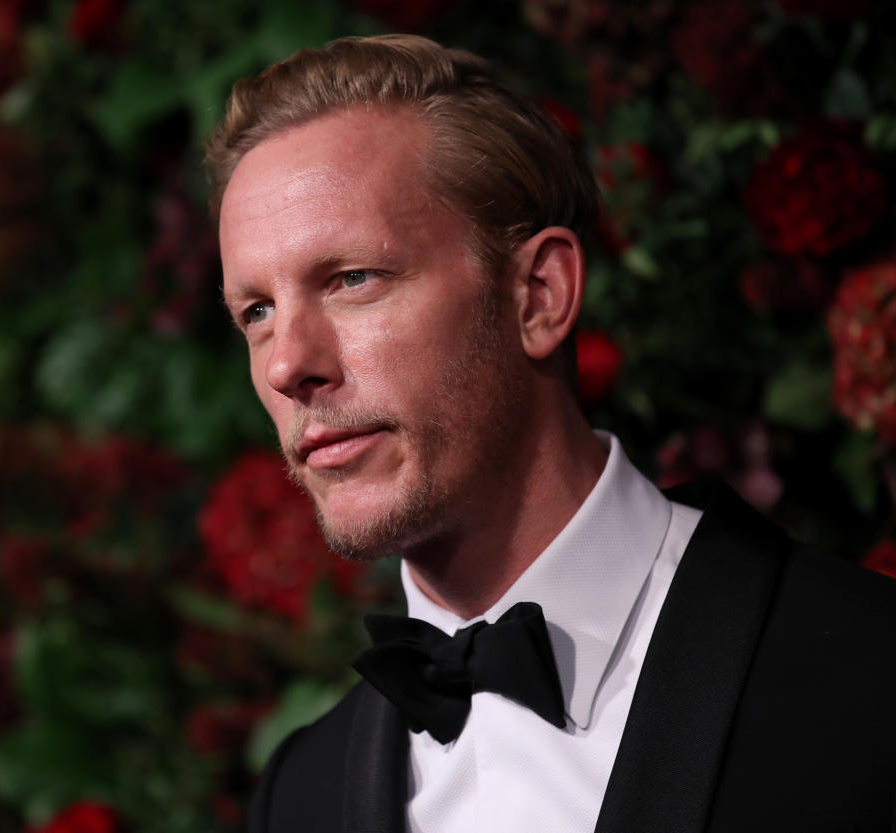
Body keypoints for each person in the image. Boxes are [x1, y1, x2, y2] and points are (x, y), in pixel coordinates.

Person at [206, 34, 896, 833]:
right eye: (255, 312)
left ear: (538, 294)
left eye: (352, 278)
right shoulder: (298, 798)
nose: (289, 361)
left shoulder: (869, 675)